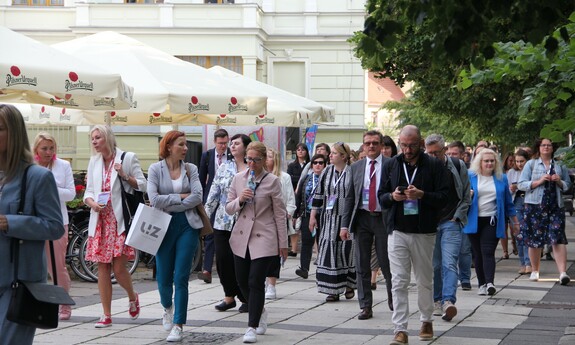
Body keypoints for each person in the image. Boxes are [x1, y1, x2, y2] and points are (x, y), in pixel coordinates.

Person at [378, 125, 450, 345]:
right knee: (398, 281)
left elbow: (446, 197)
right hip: (397, 230)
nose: (407, 150)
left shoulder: (435, 166)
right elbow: (381, 196)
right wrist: (392, 197)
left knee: (424, 280)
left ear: (421, 143)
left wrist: (422, 195)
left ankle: (426, 319)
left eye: (411, 145)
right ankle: (400, 329)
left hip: (423, 231)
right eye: (403, 145)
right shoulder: (391, 165)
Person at [0, 104, 64, 345]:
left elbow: (54, 226)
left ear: (14, 133)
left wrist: (10, 222)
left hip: (20, 285)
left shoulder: (37, 177)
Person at [83, 125, 146, 328]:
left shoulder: (127, 158)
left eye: (98, 137)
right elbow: (88, 192)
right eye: (92, 138)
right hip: (100, 220)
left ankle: (132, 296)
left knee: (119, 269)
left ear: (107, 137)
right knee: (102, 268)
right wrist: (92, 203)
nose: (94, 141)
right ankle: (106, 314)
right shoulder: (94, 162)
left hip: (119, 221)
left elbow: (144, 185)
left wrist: (125, 176)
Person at [225, 141, 289, 343]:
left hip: (265, 234)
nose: (252, 163)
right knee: (242, 281)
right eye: (249, 159)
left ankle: (251, 327)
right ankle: (259, 310)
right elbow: (228, 207)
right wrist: (240, 200)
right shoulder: (238, 178)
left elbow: (280, 213)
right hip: (242, 235)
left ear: (264, 160)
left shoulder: (272, 181)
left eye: (256, 160)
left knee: (255, 281)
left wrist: (283, 243)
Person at [147, 130, 203, 342]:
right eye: (181, 144)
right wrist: (180, 196)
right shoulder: (155, 169)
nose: (186, 148)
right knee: (163, 277)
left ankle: (178, 324)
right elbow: (154, 199)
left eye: (186, 144)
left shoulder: (191, 169)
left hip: (187, 225)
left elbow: (197, 196)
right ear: (169, 146)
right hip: (163, 226)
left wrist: (170, 200)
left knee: (181, 277)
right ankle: (167, 307)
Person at [341, 130, 393, 320]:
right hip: (361, 218)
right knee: (361, 264)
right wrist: (344, 225)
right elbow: (349, 197)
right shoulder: (356, 167)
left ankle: (393, 300)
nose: (371, 146)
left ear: (381, 146)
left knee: (387, 263)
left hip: (383, 218)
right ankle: (365, 306)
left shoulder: (391, 164)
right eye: (368, 143)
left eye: (375, 143)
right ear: (363, 146)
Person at [425, 134, 471, 322]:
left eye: (436, 153)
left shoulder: (457, 166)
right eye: (429, 153)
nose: (433, 157)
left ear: (444, 150)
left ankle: (448, 301)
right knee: (435, 265)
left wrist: (457, 216)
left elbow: (466, 195)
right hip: (430, 224)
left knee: (449, 262)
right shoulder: (423, 168)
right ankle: (436, 300)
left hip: (451, 222)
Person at [205, 134, 251, 313]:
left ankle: (246, 296)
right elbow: (214, 193)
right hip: (222, 221)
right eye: (232, 143)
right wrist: (205, 215)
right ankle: (229, 296)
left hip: (245, 222)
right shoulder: (224, 167)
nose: (232, 146)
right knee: (223, 261)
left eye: (237, 143)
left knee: (242, 261)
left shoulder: (251, 168)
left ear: (246, 147)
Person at [463, 148, 519, 297]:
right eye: (486, 161)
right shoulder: (470, 176)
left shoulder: (502, 178)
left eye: (492, 161)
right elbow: (459, 197)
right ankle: (481, 283)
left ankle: (490, 283)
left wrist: (515, 223)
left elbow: (508, 202)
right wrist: (468, 195)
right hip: (473, 220)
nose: (489, 163)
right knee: (478, 253)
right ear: (479, 162)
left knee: (487, 251)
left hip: (492, 220)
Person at [33, 132, 75, 321]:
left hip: (57, 222)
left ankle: (64, 303)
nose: (49, 152)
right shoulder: (30, 167)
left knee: (57, 266)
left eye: (52, 148)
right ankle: (38, 303)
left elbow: (71, 194)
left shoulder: (63, 166)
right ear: (36, 150)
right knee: (34, 266)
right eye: (44, 148)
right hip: (33, 222)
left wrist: (48, 185)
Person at [518, 138, 571, 285]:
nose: (546, 147)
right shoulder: (531, 164)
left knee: (558, 238)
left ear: (553, 148)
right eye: (543, 145)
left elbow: (568, 186)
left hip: (555, 206)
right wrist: (539, 181)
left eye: (549, 145)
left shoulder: (560, 165)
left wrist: (559, 181)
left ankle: (563, 273)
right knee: (535, 239)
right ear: (539, 148)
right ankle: (535, 271)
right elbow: (521, 184)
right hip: (535, 205)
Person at [309, 142, 356, 302]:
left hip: (346, 218)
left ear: (343, 156)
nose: (330, 155)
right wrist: (313, 215)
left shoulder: (352, 171)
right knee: (330, 252)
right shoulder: (327, 171)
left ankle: (349, 284)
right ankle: (332, 289)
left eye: (334, 153)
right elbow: (319, 193)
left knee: (346, 252)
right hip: (329, 218)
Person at [198, 129, 231, 284]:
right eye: (220, 143)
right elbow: (201, 177)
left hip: (228, 200)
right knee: (210, 233)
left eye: (225, 143)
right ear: (215, 142)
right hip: (211, 198)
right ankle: (207, 270)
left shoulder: (232, 155)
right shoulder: (208, 155)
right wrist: (203, 200)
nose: (223, 146)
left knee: (226, 233)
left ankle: (227, 266)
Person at [264, 147, 296, 299]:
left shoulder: (284, 177)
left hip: (278, 220)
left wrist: (287, 214)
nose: (266, 159)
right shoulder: (257, 176)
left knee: (274, 254)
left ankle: (271, 284)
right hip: (261, 220)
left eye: (269, 156)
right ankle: (262, 280)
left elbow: (290, 200)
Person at [293, 153, 327, 279]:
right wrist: (296, 214)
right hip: (307, 213)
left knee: (322, 242)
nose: (318, 165)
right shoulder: (306, 179)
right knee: (307, 241)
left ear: (325, 165)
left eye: (320, 163)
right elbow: (299, 197)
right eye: (315, 163)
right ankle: (304, 268)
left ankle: (323, 268)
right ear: (311, 165)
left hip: (323, 215)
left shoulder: (328, 179)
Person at [447, 140, 473, 290]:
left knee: (464, 248)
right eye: (449, 154)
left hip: (463, 216)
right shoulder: (444, 169)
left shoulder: (467, 170)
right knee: (450, 253)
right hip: (447, 216)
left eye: (454, 154)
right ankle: (452, 277)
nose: (451, 157)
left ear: (462, 155)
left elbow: (467, 194)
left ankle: (465, 277)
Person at [507, 149, 532, 275]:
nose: (519, 164)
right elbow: (508, 190)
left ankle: (529, 263)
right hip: (516, 202)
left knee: (528, 232)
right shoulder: (511, 173)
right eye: (517, 161)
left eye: (522, 161)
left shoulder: (532, 171)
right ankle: (523, 262)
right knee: (519, 233)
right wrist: (512, 188)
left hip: (529, 202)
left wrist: (519, 186)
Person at [500, 152, 518, 259]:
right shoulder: (501, 173)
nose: (512, 163)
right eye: (510, 160)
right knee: (503, 228)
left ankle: (514, 245)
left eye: (513, 161)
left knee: (513, 228)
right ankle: (505, 251)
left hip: (513, 202)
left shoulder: (515, 172)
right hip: (502, 203)